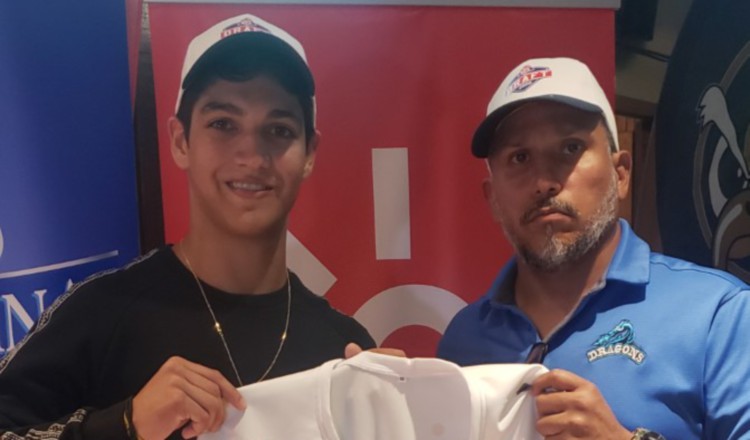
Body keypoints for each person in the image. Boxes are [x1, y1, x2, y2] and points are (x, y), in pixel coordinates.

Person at [0, 13, 375, 440]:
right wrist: (125, 424)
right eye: (222, 124)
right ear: (180, 141)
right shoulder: (99, 314)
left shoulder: (347, 349)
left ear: (309, 152)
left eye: (278, 129)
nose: (252, 155)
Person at [437, 57, 750, 440]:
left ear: (620, 174)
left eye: (569, 148)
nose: (543, 182)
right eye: (519, 157)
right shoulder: (464, 337)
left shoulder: (720, 315)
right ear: (492, 198)